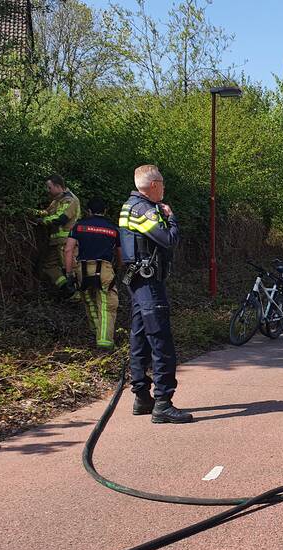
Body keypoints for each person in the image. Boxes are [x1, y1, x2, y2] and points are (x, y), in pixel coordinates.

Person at [118, 165, 193, 424]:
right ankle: (163, 403)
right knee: (161, 341)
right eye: (162, 184)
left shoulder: (128, 206)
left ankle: (142, 397)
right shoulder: (144, 209)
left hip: (138, 281)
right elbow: (169, 239)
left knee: (139, 338)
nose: (164, 188)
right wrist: (171, 217)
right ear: (153, 185)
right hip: (149, 283)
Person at [65, 197, 122, 350]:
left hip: (82, 270)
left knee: (90, 302)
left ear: (88, 211)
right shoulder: (113, 229)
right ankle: (104, 341)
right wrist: (118, 268)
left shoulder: (78, 226)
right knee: (107, 305)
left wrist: (69, 274)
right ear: (105, 211)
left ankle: (96, 332)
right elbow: (120, 254)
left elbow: (68, 250)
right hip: (104, 269)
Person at [36, 175, 81, 297]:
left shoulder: (70, 200)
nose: (48, 190)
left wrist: (43, 221)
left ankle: (78, 296)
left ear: (58, 186)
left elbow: (61, 218)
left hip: (67, 242)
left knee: (71, 269)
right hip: (56, 242)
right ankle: (67, 289)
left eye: (49, 187)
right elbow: (47, 212)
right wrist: (32, 212)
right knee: (49, 266)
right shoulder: (57, 200)